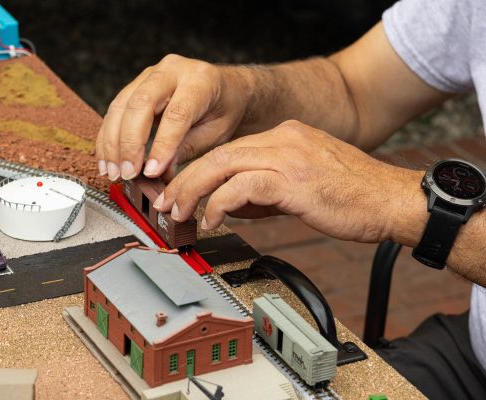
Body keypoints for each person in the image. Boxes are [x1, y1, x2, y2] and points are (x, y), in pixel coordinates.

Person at [95, 0, 486, 398]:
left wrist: (397, 202)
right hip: (474, 353)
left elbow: (385, 184)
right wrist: (243, 93)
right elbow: (354, 89)